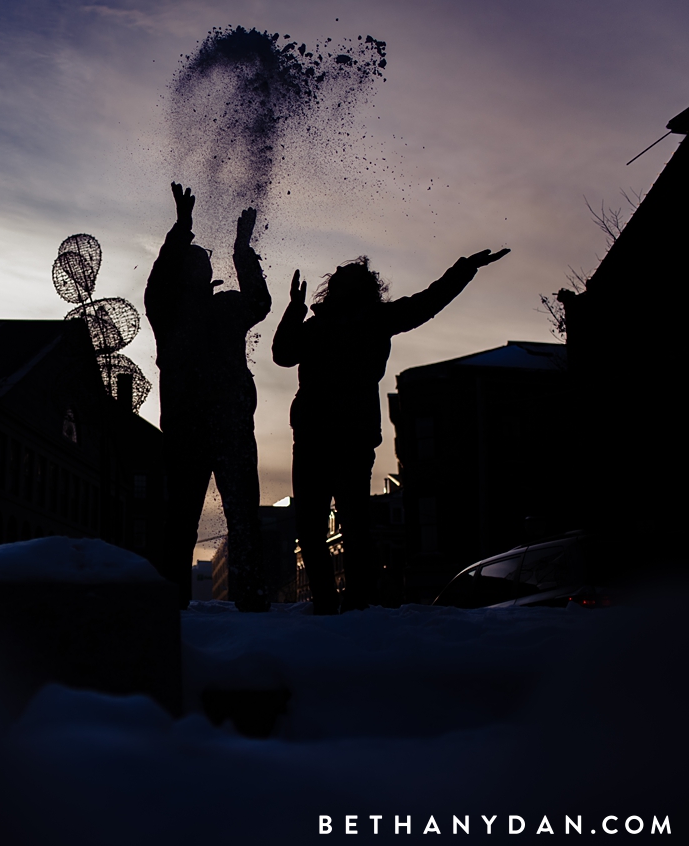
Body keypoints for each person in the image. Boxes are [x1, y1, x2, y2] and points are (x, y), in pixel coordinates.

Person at [272, 249, 510, 614]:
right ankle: (327, 602)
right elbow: (283, 354)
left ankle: (356, 602)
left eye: (341, 281)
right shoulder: (318, 326)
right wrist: (295, 309)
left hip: (347, 434)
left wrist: (463, 270)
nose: (336, 283)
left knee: (351, 523)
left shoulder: (376, 319)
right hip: (315, 435)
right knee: (316, 525)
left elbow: (428, 302)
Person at [145, 182, 272, 611]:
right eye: (196, 258)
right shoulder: (168, 311)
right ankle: (172, 605)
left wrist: (242, 247)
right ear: (184, 271)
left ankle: (252, 601)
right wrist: (181, 229)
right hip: (186, 429)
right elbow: (159, 280)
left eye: (205, 258)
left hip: (232, 425)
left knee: (244, 521)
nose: (203, 261)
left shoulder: (228, 308)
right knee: (179, 521)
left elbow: (259, 300)